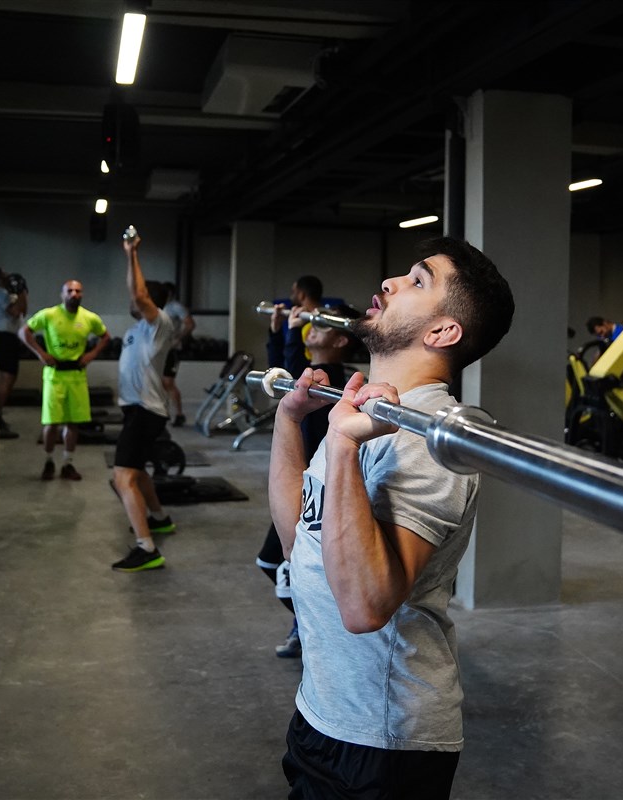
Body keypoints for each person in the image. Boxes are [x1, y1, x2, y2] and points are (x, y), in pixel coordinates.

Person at [268, 238, 513, 798]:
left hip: (383, 739)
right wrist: (289, 420)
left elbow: (364, 608)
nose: (389, 283)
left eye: (418, 281)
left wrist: (341, 445)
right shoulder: (362, 411)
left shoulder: (432, 439)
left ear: (443, 331)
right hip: (322, 710)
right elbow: (298, 542)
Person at [256, 304, 358, 658]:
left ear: (342, 339)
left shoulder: (332, 381)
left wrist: (287, 337)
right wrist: (279, 333)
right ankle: (308, 621)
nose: (312, 327)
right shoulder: (311, 373)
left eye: (323, 324)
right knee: (275, 563)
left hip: (317, 486)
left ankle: (312, 622)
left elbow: (296, 374)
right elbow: (282, 380)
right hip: (303, 481)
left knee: (280, 563)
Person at [110, 234, 178, 572]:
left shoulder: (159, 324)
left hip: (145, 411)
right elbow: (136, 295)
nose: (133, 299)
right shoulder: (136, 329)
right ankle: (159, 519)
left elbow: (138, 294)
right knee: (137, 473)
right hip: (136, 409)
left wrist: (132, 253)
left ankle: (146, 548)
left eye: (139, 296)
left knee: (122, 478)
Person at [23, 280, 110, 480]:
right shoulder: (49, 315)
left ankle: (67, 464)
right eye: (69, 291)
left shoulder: (90, 318)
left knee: (73, 423)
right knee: (51, 423)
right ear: (62, 294)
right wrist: (41, 353)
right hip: (54, 376)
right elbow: (24, 332)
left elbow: (106, 337)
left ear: (82, 294)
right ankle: (48, 462)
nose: (74, 294)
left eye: (78, 291)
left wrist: (91, 354)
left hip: (77, 376)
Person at [0, 268, 26, 440]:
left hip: (11, 339)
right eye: (4, 275)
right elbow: (14, 312)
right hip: (3, 339)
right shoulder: (1, 294)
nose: (8, 276)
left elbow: (23, 309)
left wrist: (23, 292)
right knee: (7, 378)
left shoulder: (11, 294)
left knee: (11, 378)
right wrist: (21, 293)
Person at [267, 275, 323, 369]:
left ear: (301, 295)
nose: (291, 296)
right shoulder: (300, 321)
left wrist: (294, 329)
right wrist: (275, 332)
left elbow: (294, 370)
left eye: (293, 292)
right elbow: (278, 367)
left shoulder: (316, 326)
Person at [160, 282, 195, 427]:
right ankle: (163, 413)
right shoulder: (159, 307)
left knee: (169, 383)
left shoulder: (175, 307)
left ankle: (179, 415)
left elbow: (190, 324)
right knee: (160, 383)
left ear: (171, 293)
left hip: (171, 350)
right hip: (160, 349)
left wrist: (178, 339)